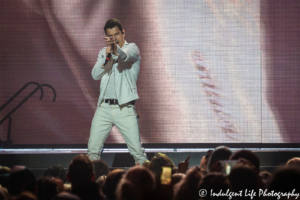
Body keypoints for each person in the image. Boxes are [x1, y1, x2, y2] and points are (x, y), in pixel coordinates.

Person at [87, 18, 148, 165]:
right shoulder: (104, 52)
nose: (114, 39)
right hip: (104, 108)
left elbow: (124, 55)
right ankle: (91, 185)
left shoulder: (132, 48)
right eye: (110, 36)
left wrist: (115, 50)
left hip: (125, 109)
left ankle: (149, 184)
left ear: (123, 33)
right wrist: (108, 55)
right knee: (92, 151)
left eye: (116, 35)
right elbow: (95, 75)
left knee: (137, 153)